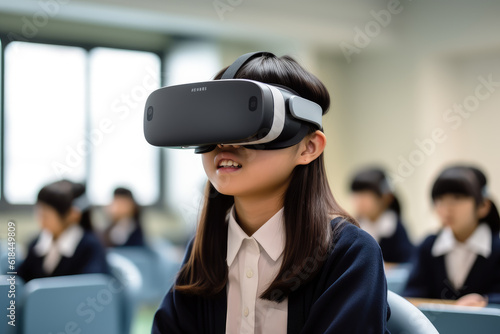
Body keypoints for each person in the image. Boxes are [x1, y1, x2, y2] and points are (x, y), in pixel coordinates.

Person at [152, 52, 390, 333]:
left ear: (308, 147)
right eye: (214, 124)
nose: (224, 144)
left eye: (247, 123)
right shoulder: (203, 251)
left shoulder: (350, 254)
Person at [403, 165, 500, 306]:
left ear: (483, 206)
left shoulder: (496, 248)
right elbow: (411, 294)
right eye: (440, 199)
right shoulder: (428, 246)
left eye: (457, 197)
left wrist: (486, 302)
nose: (446, 208)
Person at [17, 180, 109, 282]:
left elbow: (90, 287)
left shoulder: (90, 247)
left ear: (72, 215)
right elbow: (18, 279)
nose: (40, 219)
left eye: (46, 215)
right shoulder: (36, 244)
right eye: (39, 212)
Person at [350, 167, 415, 263]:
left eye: (365, 196)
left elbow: (408, 261)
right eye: (357, 196)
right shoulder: (354, 228)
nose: (360, 202)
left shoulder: (394, 228)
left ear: (385, 198)